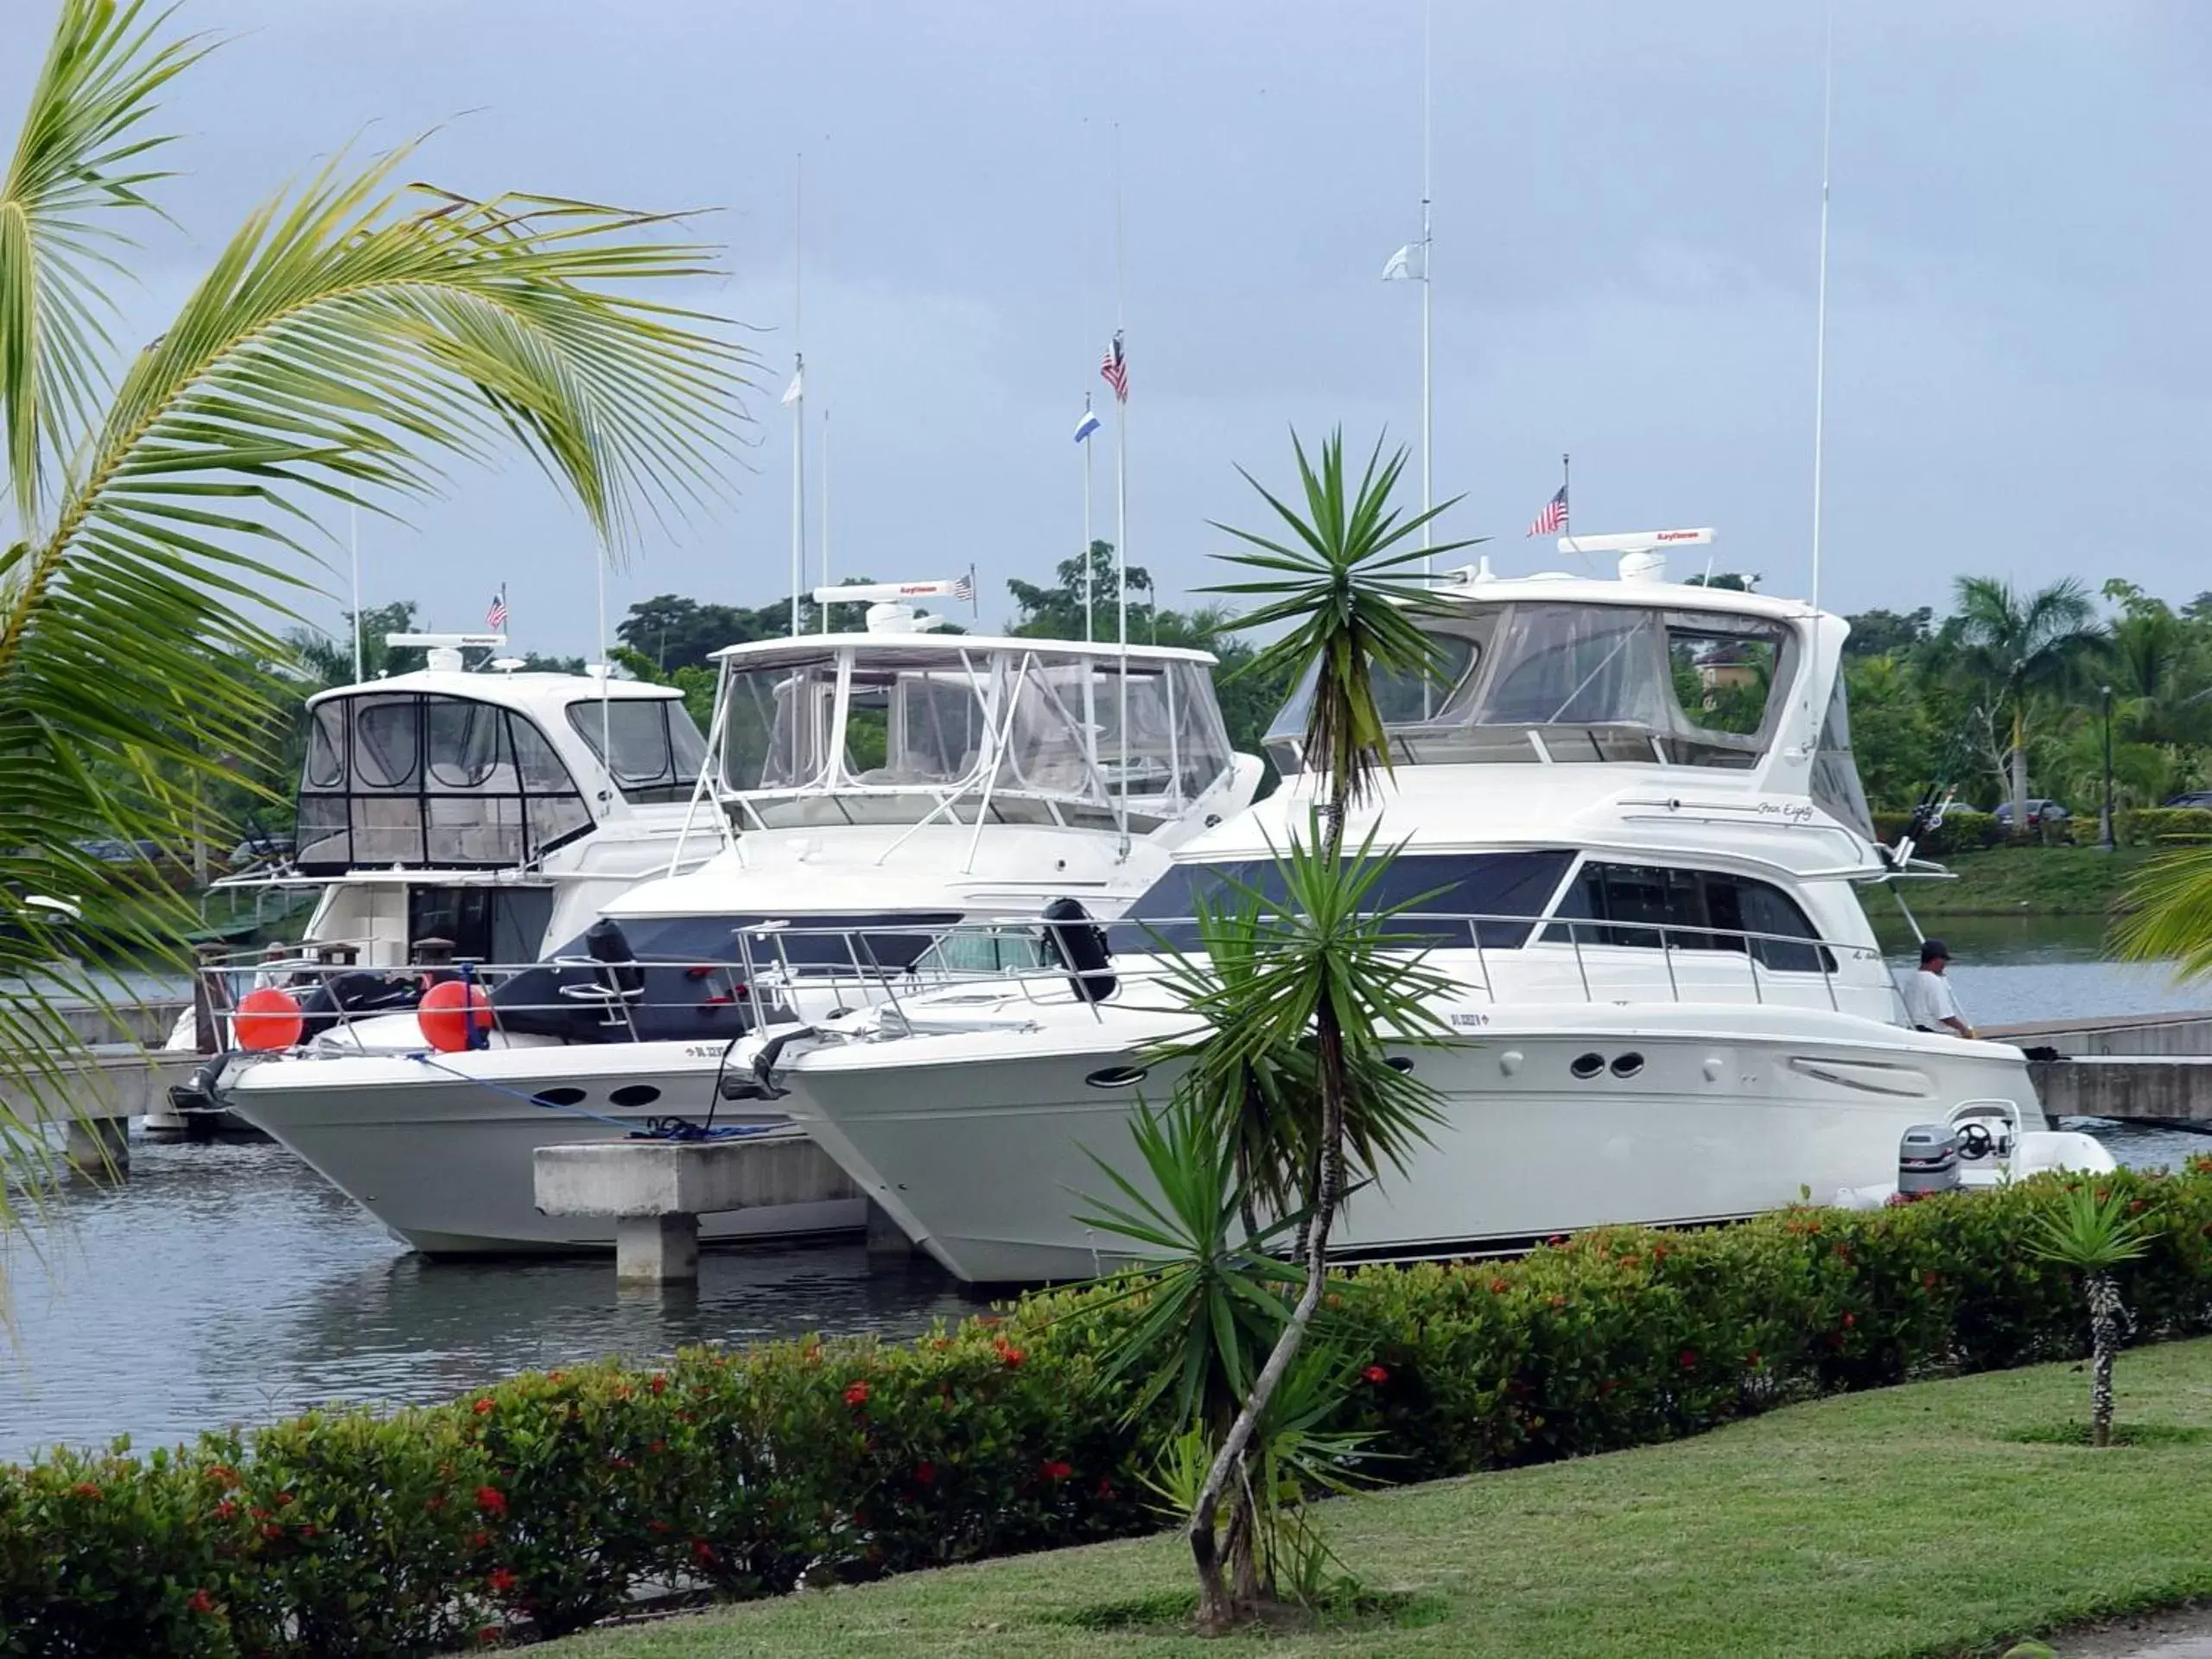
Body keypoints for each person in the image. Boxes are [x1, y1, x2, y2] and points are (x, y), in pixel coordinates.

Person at [1900, 938, 1976, 1039]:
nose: (1945, 964)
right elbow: (1944, 1016)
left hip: (1915, 1031)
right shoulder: (1933, 981)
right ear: (1936, 960)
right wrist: (1964, 1030)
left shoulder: (1912, 979)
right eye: (1944, 960)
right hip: (1934, 1034)